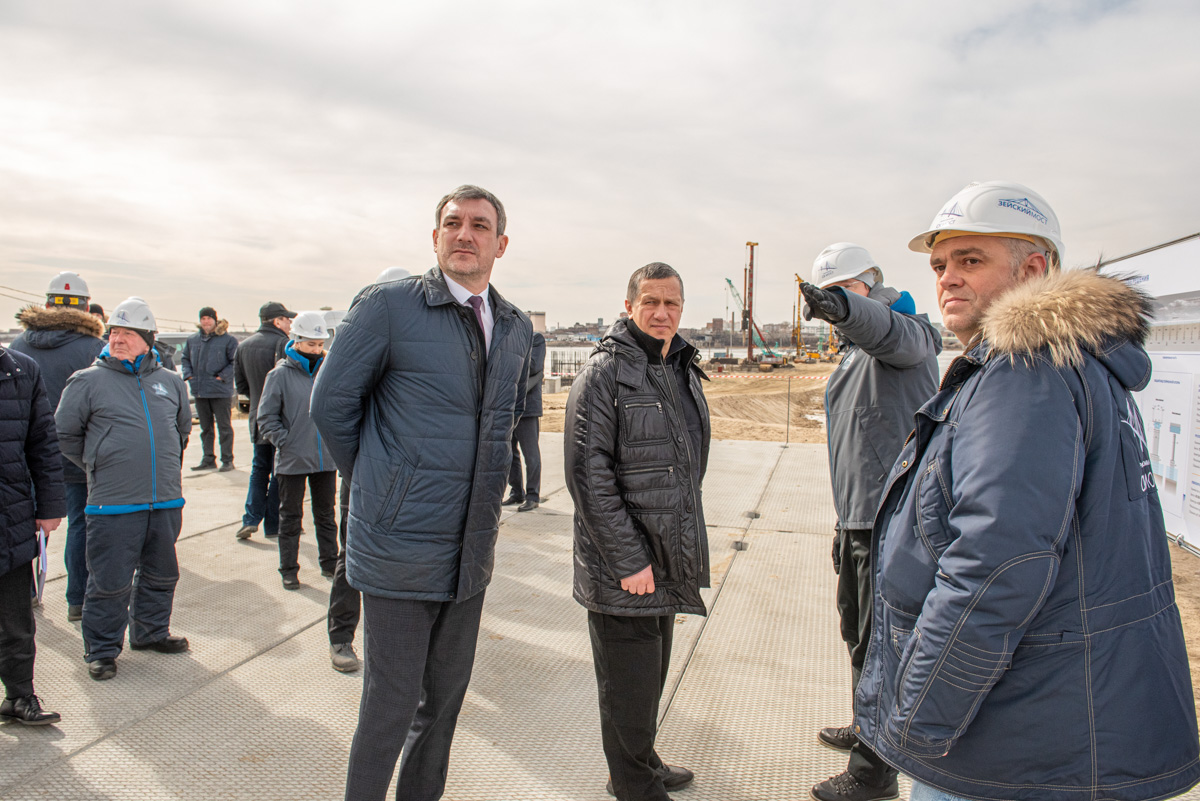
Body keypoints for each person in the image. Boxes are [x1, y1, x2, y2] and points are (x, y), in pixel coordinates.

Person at [854, 181, 1200, 801]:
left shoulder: (1027, 374)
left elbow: (995, 565)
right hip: (1052, 720)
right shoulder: (1077, 367)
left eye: (970, 260)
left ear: (1034, 267)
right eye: (940, 265)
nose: (947, 279)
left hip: (1008, 741)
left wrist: (914, 722)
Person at [311, 185, 532, 801]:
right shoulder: (389, 306)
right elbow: (330, 406)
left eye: (480, 226)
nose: (466, 234)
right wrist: (383, 484)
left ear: (501, 244)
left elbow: (504, 422)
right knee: (390, 701)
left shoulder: (514, 327)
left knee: (444, 703)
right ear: (434, 237)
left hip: (470, 548)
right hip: (398, 547)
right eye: (453, 223)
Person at [799, 246, 940, 801]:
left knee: (881, 646)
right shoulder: (856, 351)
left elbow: (888, 330)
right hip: (858, 518)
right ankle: (868, 729)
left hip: (889, 523)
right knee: (858, 635)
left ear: (874, 286)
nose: (840, 302)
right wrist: (842, 524)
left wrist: (840, 307)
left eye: (850, 289)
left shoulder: (905, 335)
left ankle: (873, 774)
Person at [564, 262, 710, 801]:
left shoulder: (678, 367)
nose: (662, 313)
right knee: (627, 685)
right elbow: (587, 475)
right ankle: (633, 785)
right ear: (628, 307)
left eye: (672, 303)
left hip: (666, 553)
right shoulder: (605, 374)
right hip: (625, 563)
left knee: (650, 676)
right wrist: (628, 559)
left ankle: (640, 761)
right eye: (650, 302)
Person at [56, 297, 193, 682]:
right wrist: (97, 463)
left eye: (127, 333)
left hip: (165, 499)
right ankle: (101, 650)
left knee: (162, 573)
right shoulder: (87, 381)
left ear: (148, 339)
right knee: (110, 581)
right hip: (113, 503)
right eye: (114, 332)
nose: (117, 339)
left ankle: (150, 633)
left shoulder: (170, 383)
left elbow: (182, 430)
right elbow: (66, 435)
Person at [9, 271, 106, 623]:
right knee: (80, 523)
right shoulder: (94, 348)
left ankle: (28, 593)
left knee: (28, 526)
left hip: (25, 455)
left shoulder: (18, 345)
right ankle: (77, 599)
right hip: (76, 455)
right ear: (84, 306)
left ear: (47, 303)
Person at [327, 267, 410, 675]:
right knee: (352, 556)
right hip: (364, 472)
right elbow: (332, 408)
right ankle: (341, 636)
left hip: (410, 480)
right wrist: (359, 467)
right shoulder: (361, 337)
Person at [0, 344, 65, 725]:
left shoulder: (20, 370)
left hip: (10, 514)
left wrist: (50, 506)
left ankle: (21, 696)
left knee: (15, 617)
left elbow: (42, 441)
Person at [256, 311, 338, 590]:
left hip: (325, 459)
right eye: (311, 344)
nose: (317, 350)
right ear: (297, 341)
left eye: (320, 344)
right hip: (292, 459)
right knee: (290, 518)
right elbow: (266, 417)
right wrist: (285, 441)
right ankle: (289, 569)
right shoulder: (279, 375)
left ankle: (330, 563)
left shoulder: (328, 371)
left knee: (326, 515)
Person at [233, 301, 296, 540]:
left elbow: (241, 387)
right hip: (280, 420)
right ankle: (273, 524)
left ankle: (250, 519)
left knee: (258, 470)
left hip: (257, 419)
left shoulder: (243, 346)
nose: (290, 324)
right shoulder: (283, 344)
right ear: (276, 321)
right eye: (287, 319)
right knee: (278, 472)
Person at [181, 306, 237, 472]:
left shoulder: (228, 340)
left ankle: (227, 459)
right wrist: (189, 375)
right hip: (200, 390)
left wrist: (222, 376)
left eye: (209, 318)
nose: (206, 321)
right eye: (203, 318)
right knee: (206, 428)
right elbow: (185, 359)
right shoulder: (192, 340)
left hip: (220, 390)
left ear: (215, 320)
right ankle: (208, 459)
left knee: (224, 427)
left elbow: (235, 362)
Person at [503, 330, 545, 511]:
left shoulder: (536, 339)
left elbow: (535, 366)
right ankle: (516, 492)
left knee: (531, 455)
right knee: (509, 453)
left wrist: (512, 360)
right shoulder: (508, 341)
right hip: (507, 407)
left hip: (528, 408)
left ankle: (533, 495)